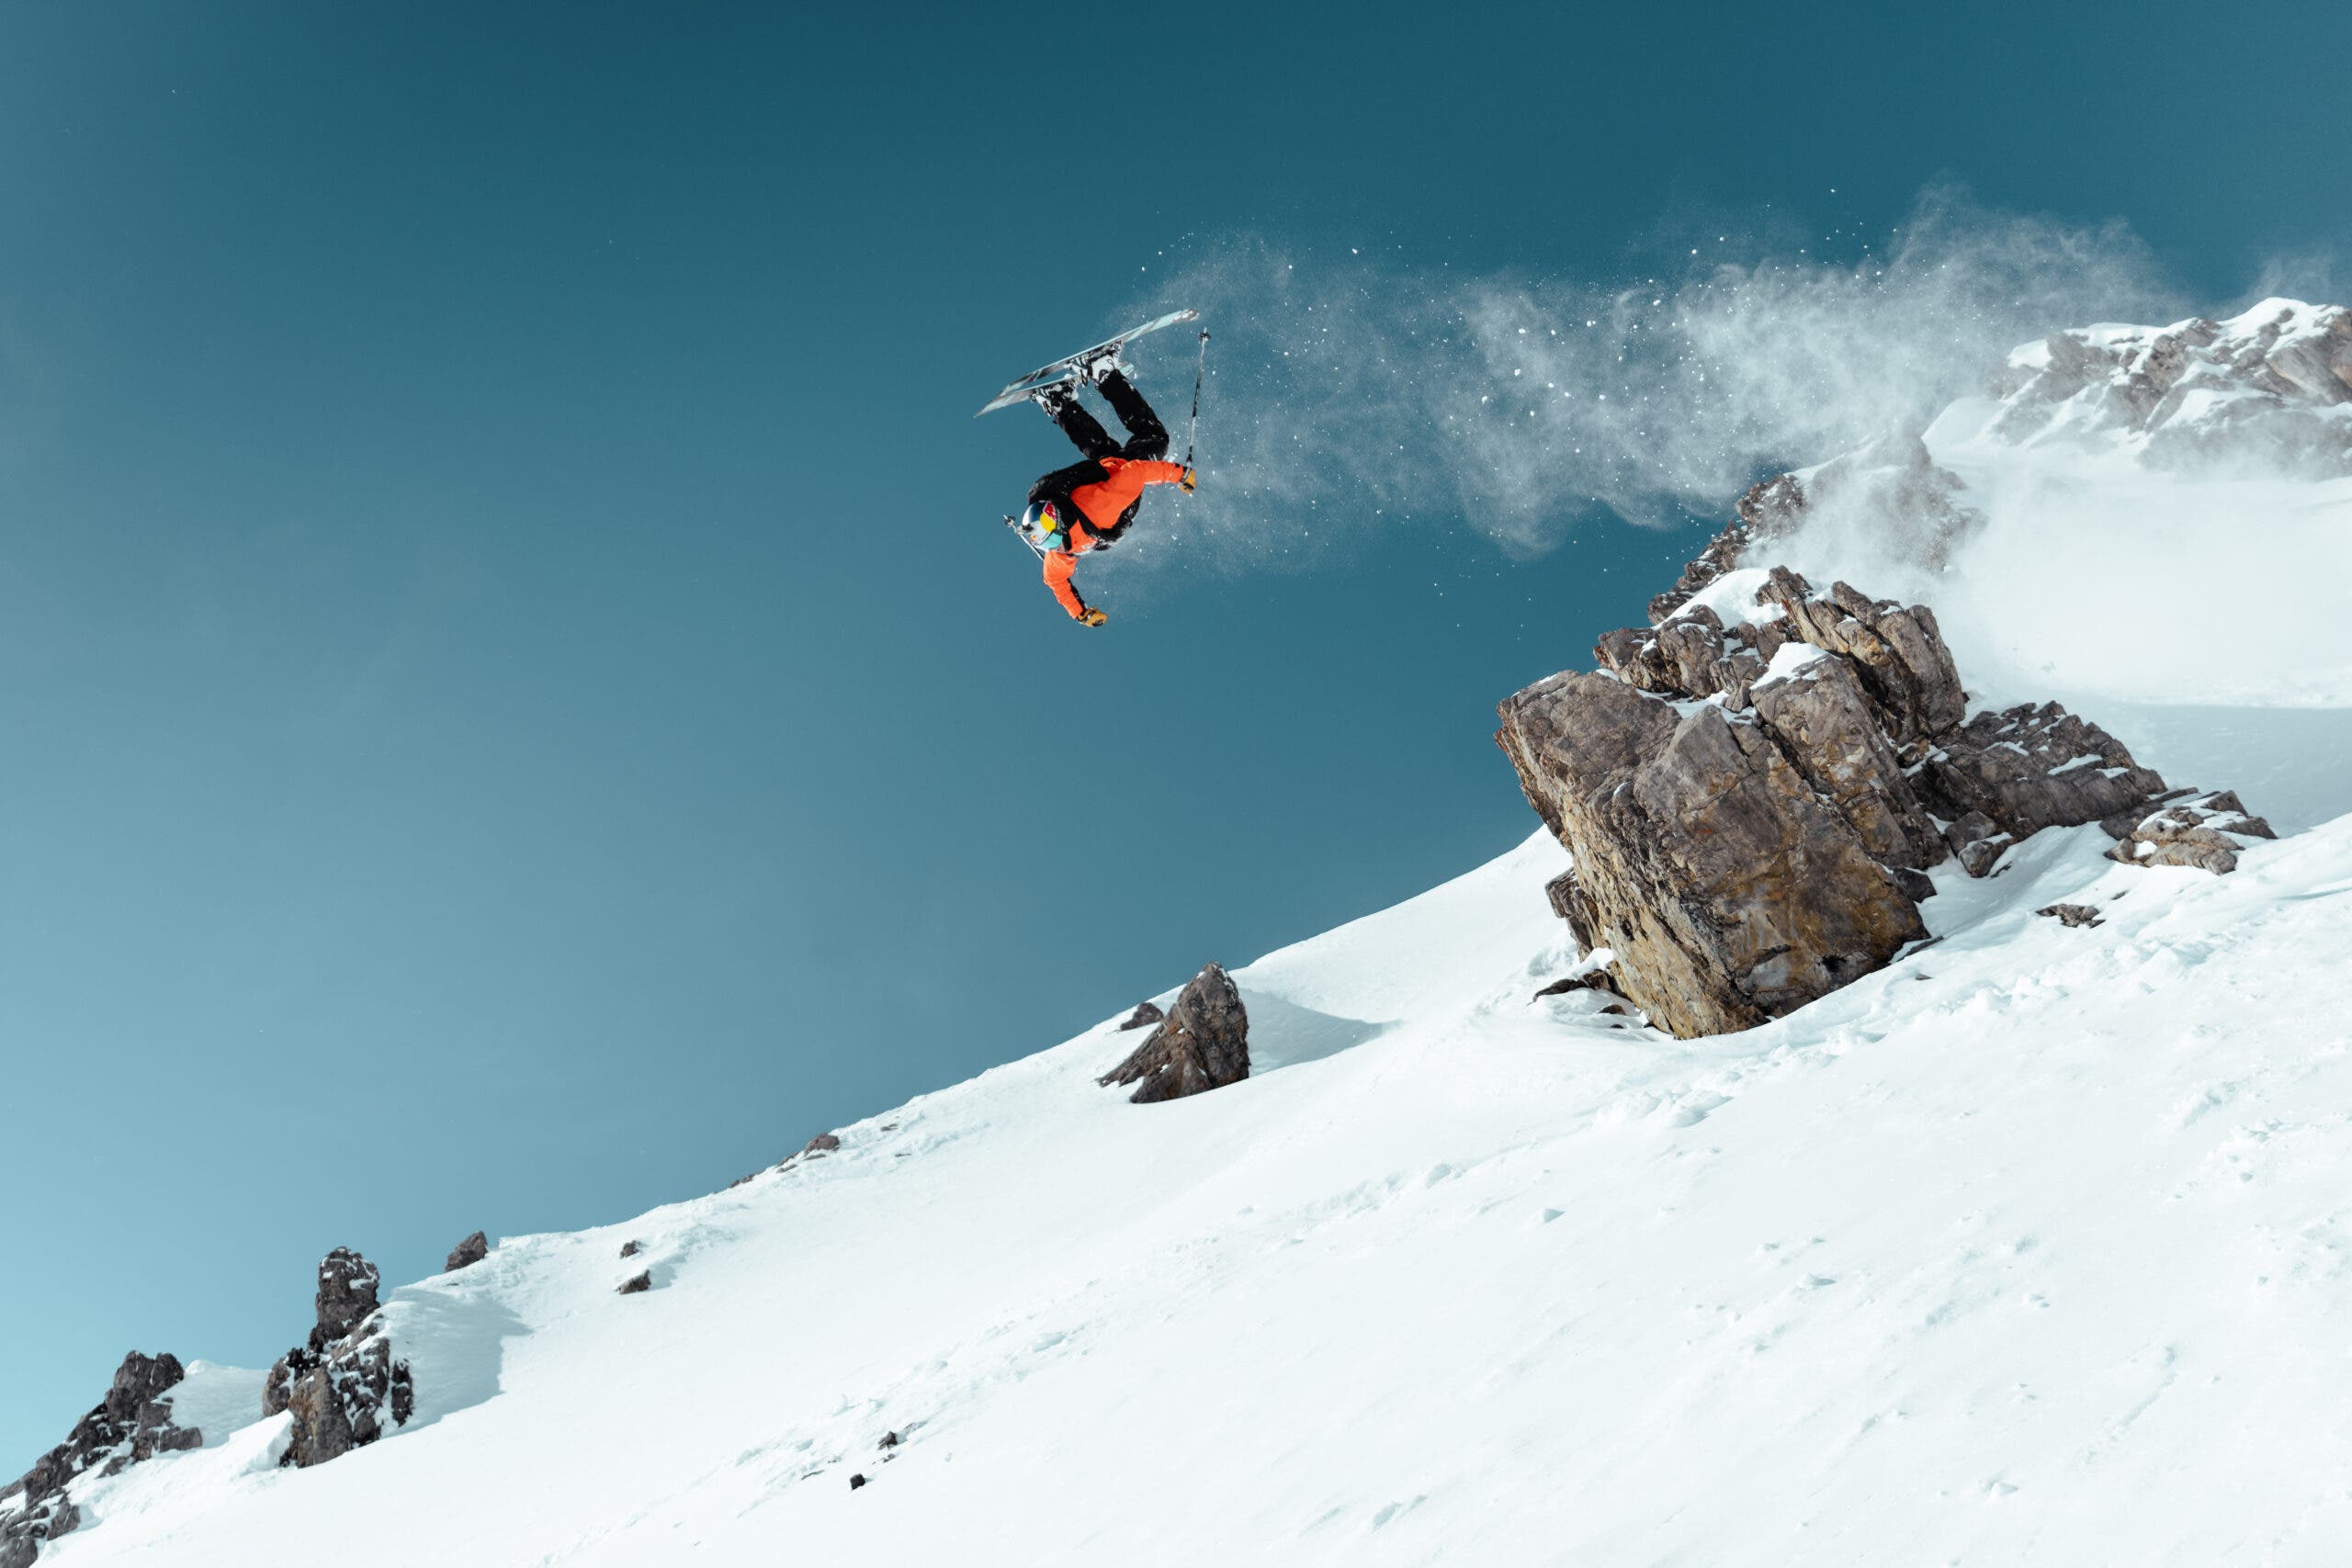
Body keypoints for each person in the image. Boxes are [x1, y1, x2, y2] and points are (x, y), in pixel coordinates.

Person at [1014, 359, 1195, 626]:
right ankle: (1061, 404)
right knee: (1104, 450)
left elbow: (1136, 472)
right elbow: (1055, 581)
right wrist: (1079, 612)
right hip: (1105, 480)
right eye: (1048, 543)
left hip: (1113, 483)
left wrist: (1179, 475)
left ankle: (1103, 374)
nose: (1053, 547)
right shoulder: (1061, 550)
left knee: (1155, 439)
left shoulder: (1097, 510)